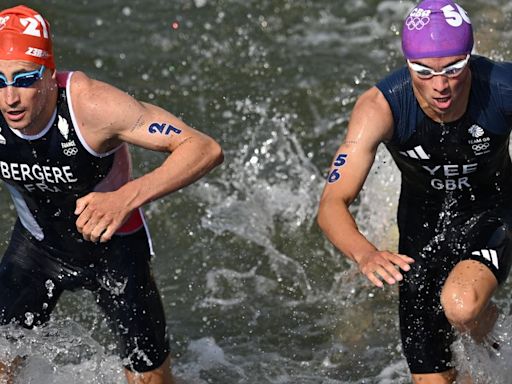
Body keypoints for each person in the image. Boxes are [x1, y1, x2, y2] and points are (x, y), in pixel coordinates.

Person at [0, 5, 223, 384]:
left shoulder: (94, 106)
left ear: (50, 76)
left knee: (148, 378)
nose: (10, 99)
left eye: (25, 78)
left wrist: (126, 196)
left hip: (114, 250)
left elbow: (203, 147)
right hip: (37, 248)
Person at [317, 0, 512, 383]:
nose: (441, 85)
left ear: (469, 58)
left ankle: (491, 337)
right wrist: (366, 254)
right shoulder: (380, 107)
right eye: (425, 71)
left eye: (454, 69)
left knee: (460, 304)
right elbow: (331, 203)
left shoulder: (502, 88)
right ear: (408, 63)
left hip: (492, 211)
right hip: (420, 231)